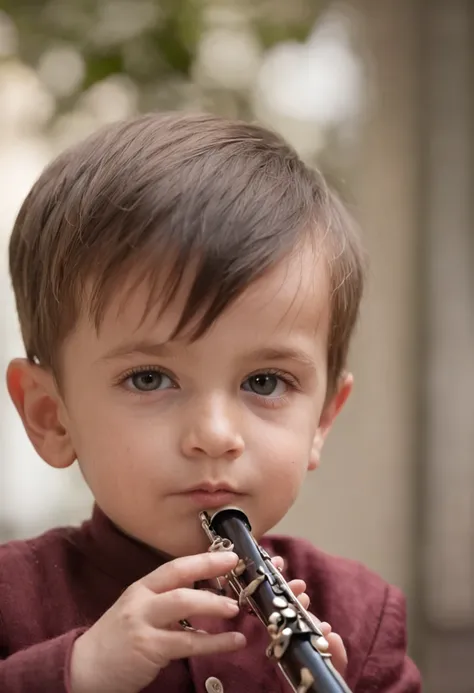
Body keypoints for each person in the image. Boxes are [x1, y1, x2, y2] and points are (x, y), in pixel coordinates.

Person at [0, 112, 421, 693]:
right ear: (52, 416)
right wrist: (74, 675)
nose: (216, 434)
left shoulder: (362, 615)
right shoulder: (10, 602)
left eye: (265, 382)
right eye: (149, 379)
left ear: (323, 418)